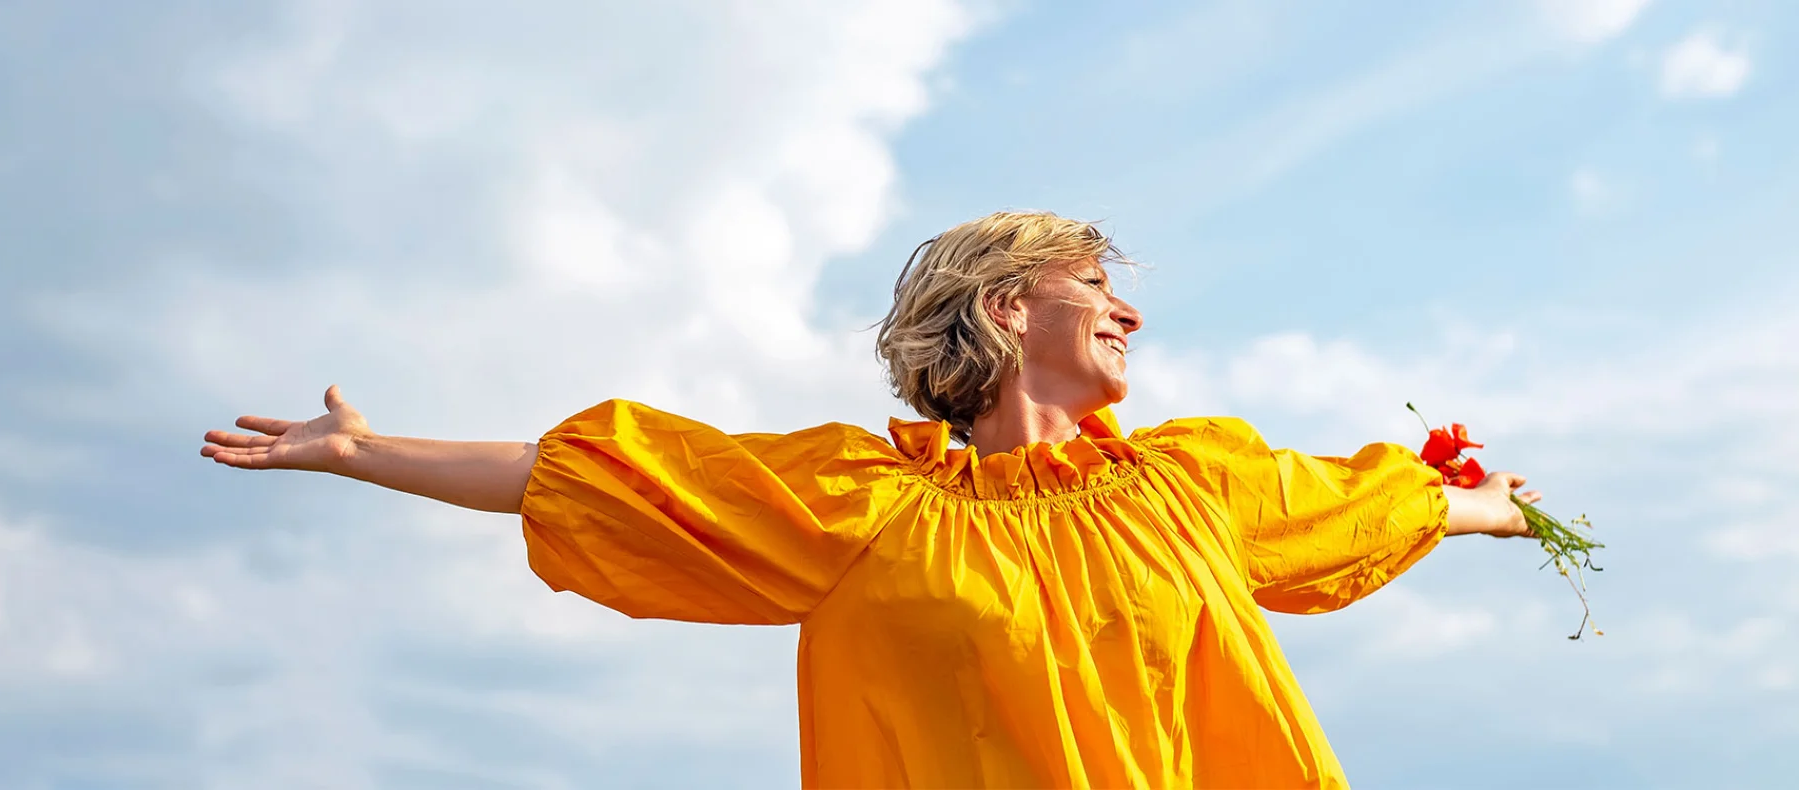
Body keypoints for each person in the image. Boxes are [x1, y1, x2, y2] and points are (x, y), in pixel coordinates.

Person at [202, 211, 1539, 789]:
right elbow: (606, 479)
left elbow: (1374, 508)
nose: (1130, 307)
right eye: (1096, 287)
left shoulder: (1193, 482)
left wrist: (1502, 512)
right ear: (1011, 308)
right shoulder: (859, 502)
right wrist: (364, 451)